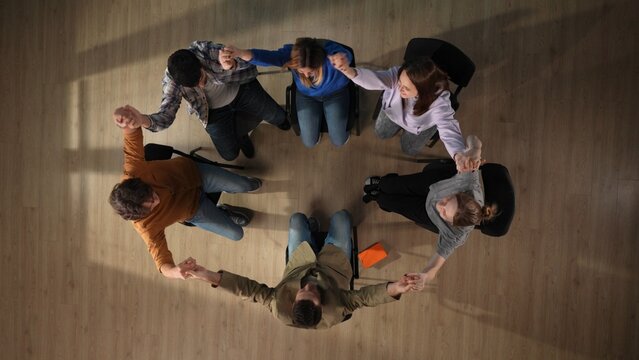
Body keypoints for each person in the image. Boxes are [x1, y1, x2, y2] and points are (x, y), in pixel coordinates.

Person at [183, 210, 418, 329]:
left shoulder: (279, 307)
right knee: (342, 217)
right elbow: (365, 298)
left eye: (302, 292)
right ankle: (322, 236)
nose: (308, 286)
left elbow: (248, 289)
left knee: (296, 219)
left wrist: (209, 276)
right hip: (334, 265)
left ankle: (311, 231)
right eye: (313, 292)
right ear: (321, 304)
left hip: (300, 263)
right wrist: (395, 287)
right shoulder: (336, 310)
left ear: (293, 301)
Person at [109, 106, 261, 280]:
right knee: (237, 234)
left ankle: (239, 186)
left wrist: (126, 119)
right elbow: (161, 259)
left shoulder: (133, 171)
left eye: (151, 194)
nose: (156, 200)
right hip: (194, 210)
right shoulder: (146, 227)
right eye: (151, 206)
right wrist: (174, 272)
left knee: (244, 185)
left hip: (195, 173)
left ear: (138, 183)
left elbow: (131, 135)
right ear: (141, 215)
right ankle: (223, 210)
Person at [118, 41, 290, 161]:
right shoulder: (171, 83)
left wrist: (229, 66)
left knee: (279, 116)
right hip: (212, 112)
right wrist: (143, 120)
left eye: (201, 77)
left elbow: (251, 67)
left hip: (241, 89)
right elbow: (166, 115)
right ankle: (241, 135)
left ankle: (276, 124)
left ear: (199, 63)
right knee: (229, 155)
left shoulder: (205, 50)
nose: (202, 84)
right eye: (194, 85)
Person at [363, 135, 497, 289]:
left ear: (452, 224)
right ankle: (384, 182)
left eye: (445, 213)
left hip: (427, 213)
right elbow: (475, 140)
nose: (440, 205)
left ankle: (379, 198)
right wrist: (474, 150)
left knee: (386, 201)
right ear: (460, 194)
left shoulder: (455, 235)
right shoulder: (468, 183)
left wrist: (424, 276)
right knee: (389, 185)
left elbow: (434, 266)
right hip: (434, 185)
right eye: (448, 200)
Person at [331, 54, 472, 167]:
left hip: (419, 127)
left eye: (407, 88)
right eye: (400, 82)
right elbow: (375, 79)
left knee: (408, 149)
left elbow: (448, 128)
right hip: (393, 113)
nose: (400, 88)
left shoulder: (440, 101)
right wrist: (348, 70)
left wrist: (458, 154)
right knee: (381, 132)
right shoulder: (399, 76)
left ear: (423, 91)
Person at [224, 38, 352, 148]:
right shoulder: (291, 55)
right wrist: (240, 53)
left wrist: (343, 60)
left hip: (335, 94)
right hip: (307, 96)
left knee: (339, 141)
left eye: (311, 71)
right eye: (301, 71)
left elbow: (346, 56)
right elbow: (266, 57)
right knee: (309, 142)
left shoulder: (331, 56)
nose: (306, 75)